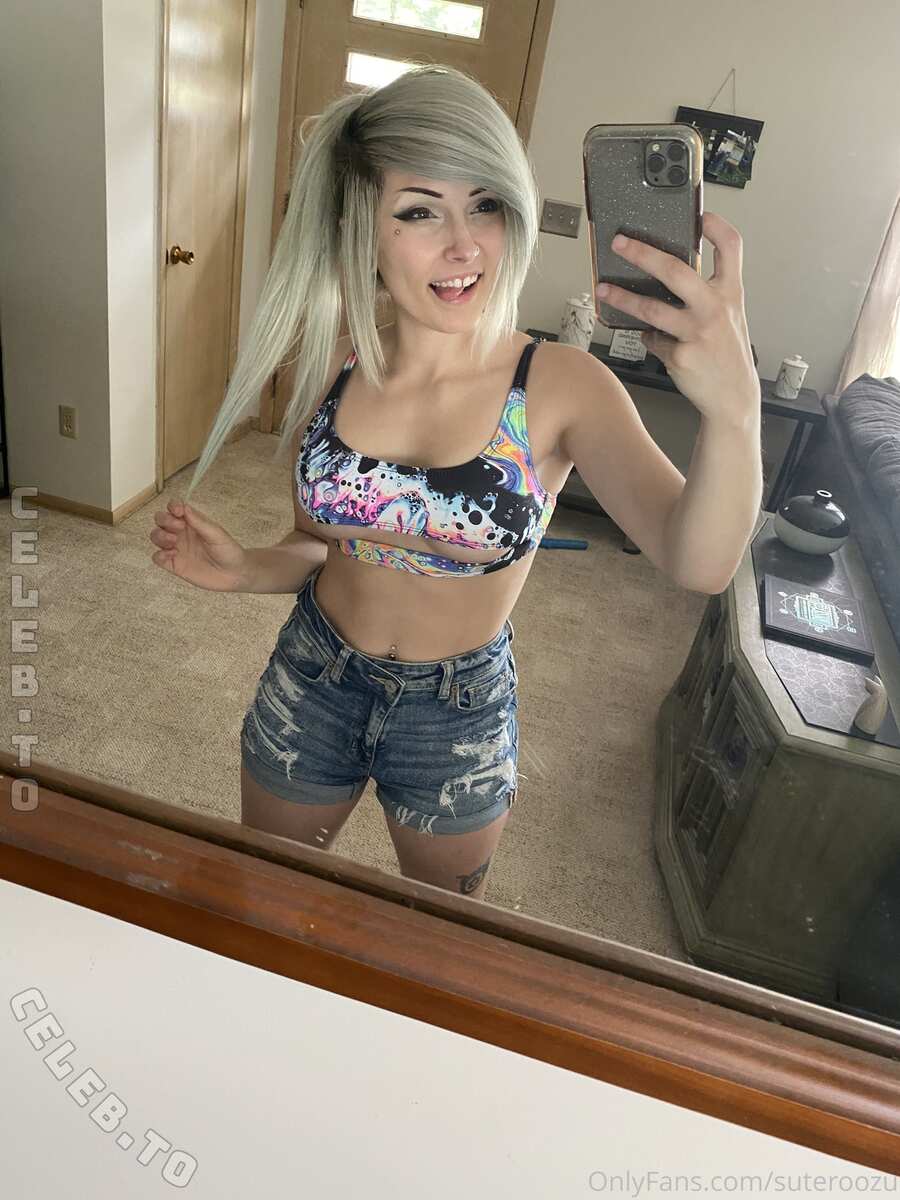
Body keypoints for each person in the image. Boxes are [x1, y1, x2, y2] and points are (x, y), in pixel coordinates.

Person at [149, 65, 762, 900]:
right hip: (314, 676)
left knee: (438, 935)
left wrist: (735, 411)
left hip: (457, 714)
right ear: (361, 226)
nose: (465, 246)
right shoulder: (333, 364)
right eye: (419, 211)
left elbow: (702, 563)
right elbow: (319, 545)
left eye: (485, 204)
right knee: (268, 896)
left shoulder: (563, 386)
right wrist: (246, 568)